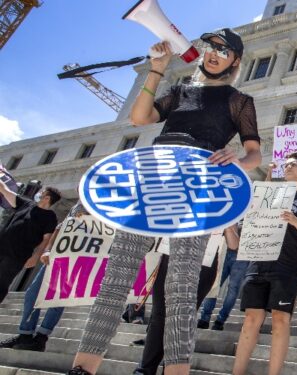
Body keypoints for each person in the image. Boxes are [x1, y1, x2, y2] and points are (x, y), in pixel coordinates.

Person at [68, 27, 261, 375]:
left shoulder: (239, 100)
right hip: (154, 179)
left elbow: (254, 154)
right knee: (118, 274)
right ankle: (84, 367)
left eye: (223, 49)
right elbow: (141, 118)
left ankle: (176, 371)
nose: (213, 53)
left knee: (182, 285)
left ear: (235, 60)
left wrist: (236, 159)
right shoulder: (182, 90)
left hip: (198, 185)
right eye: (209, 47)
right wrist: (157, 69)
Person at [232, 153, 297, 375]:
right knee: (251, 318)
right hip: (259, 262)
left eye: (294, 165)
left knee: (280, 319)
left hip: (288, 266)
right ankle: (237, 372)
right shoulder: (270, 194)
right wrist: (267, 180)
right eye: (286, 165)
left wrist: (294, 220)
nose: (288, 167)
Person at [131, 227, 232, 375]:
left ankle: (170, 369)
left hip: (204, 263)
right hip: (171, 254)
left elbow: (234, 245)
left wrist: (229, 225)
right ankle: (144, 370)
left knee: (183, 318)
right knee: (159, 315)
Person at [0, 202, 85, 351]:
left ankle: (41, 337)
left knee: (57, 299)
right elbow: (59, 229)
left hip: (78, 258)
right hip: (58, 255)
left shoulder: (102, 208)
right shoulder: (77, 205)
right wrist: (48, 250)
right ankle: (25, 334)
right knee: (32, 294)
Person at [0, 182, 59, 304]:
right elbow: (4, 190)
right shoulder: (26, 204)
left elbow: (46, 239)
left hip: (16, 257)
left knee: (1, 282)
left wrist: (36, 256)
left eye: (41, 192)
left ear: (47, 198)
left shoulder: (50, 217)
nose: (38, 193)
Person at [197, 222, 248, 331]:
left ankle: (219, 320)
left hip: (243, 251)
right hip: (223, 246)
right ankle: (206, 318)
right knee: (214, 284)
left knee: (233, 289)